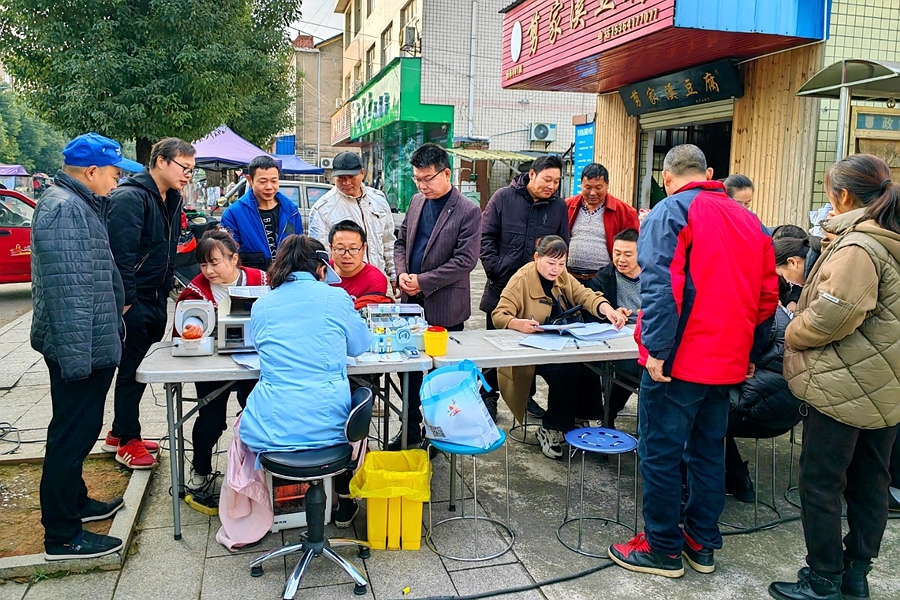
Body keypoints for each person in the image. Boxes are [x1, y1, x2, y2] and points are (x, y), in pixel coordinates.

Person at [608, 144, 778, 578]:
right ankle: (701, 541)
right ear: (709, 173)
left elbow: (662, 287)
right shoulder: (751, 221)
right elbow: (767, 298)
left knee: (660, 453)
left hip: (680, 361)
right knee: (707, 452)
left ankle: (662, 547)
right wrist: (751, 354)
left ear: (666, 178)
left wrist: (657, 350)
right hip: (727, 362)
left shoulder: (670, 212)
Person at [770, 154, 900, 600]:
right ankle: (856, 575)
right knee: (871, 482)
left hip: (844, 386)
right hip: (886, 385)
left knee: (822, 482)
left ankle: (824, 577)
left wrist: (793, 332)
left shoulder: (860, 246)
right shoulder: (890, 237)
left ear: (843, 195)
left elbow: (832, 315)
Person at [31, 133, 142, 560]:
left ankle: (75, 502)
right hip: (79, 347)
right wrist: (78, 360)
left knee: (79, 429)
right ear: (92, 172)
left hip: (89, 341)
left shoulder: (78, 203)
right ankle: (62, 535)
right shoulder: (65, 209)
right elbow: (68, 293)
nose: (117, 182)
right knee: (71, 436)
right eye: (114, 174)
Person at [239, 234, 373, 527]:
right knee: (353, 410)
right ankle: (344, 499)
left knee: (241, 422)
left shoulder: (261, 304)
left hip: (273, 433)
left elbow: (261, 348)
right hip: (331, 432)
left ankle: (255, 512)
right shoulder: (337, 298)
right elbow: (360, 345)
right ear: (321, 268)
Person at [492, 235, 627, 459]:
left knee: (587, 363)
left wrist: (607, 310)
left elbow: (585, 295)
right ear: (537, 258)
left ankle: (579, 419)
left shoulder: (562, 275)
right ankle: (551, 428)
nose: (556, 269)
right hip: (532, 349)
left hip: (560, 343)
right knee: (566, 370)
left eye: (561, 263)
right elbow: (499, 315)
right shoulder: (521, 279)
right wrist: (517, 323)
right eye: (551, 263)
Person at [106, 137, 196, 469]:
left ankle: (119, 431)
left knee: (139, 367)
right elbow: (121, 256)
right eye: (184, 167)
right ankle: (127, 441)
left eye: (192, 170)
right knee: (131, 371)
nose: (188, 175)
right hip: (135, 300)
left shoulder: (171, 197)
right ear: (161, 161)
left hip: (157, 295)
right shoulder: (130, 197)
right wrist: (127, 301)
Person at [391, 143, 481, 449]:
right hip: (411, 305)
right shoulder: (416, 202)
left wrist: (423, 281)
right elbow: (401, 242)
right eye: (417, 178)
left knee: (441, 377)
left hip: (446, 307)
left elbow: (465, 261)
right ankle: (409, 430)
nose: (422, 185)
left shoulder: (468, 211)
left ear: (446, 173)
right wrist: (402, 274)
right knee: (409, 374)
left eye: (427, 178)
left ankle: (438, 435)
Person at [173, 229, 267, 490]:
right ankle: (200, 469)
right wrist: (192, 329)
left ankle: (258, 470)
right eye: (203, 264)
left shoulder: (260, 279)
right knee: (211, 420)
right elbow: (184, 324)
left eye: (214, 263)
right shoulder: (195, 291)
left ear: (234, 258)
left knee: (256, 413)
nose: (208, 271)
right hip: (211, 366)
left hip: (255, 364)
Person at [480, 155, 569, 419]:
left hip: (538, 293)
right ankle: (488, 397)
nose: (551, 186)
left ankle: (526, 398)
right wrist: (495, 269)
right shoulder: (503, 198)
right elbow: (485, 237)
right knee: (494, 348)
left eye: (556, 181)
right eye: (547, 179)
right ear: (532, 174)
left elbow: (562, 244)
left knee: (530, 347)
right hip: (502, 287)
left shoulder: (558, 207)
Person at [724, 286, 802, 503]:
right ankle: (737, 479)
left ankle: (691, 494)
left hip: (763, 410)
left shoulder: (750, 314)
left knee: (692, 411)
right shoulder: (769, 309)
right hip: (791, 407)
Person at [309, 151, 397, 290]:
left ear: (362, 173)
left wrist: (394, 274)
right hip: (343, 286)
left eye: (351, 177)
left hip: (378, 281)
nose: (347, 182)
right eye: (341, 178)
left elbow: (388, 242)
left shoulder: (378, 200)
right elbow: (320, 256)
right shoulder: (323, 209)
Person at [586, 228, 642, 428]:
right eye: (617, 253)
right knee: (631, 368)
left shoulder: (656, 276)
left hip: (649, 335)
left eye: (628, 254)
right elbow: (590, 313)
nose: (621, 259)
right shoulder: (605, 277)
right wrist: (612, 313)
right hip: (619, 340)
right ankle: (609, 413)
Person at [220, 155, 303, 271]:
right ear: (250, 180)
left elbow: (299, 249)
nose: (269, 187)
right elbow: (228, 256)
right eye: (263, 182)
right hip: (252, 279)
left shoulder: (291, 211)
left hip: (287, 277)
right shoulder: (233, 214)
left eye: (274, 181)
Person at [566, 163, 639, 282]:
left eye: (598, 188)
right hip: (569, 277)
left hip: (604, 279)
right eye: (588, 187)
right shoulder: (567, 206)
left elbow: (634, 248)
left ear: (607, 184)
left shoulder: (625, 212)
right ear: (581, 185)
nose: (593, 193)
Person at [328, 219, 389, 300]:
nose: (347, 255)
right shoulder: (321, 270)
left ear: (363, 248)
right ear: (331, 248)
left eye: (353, 249)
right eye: (340, 248)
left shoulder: (375, 280)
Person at [774, 235, 822, 313]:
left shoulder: (824, 278)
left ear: (792, 262)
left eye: (782, 275)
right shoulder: (817, 273)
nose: (787, 281)